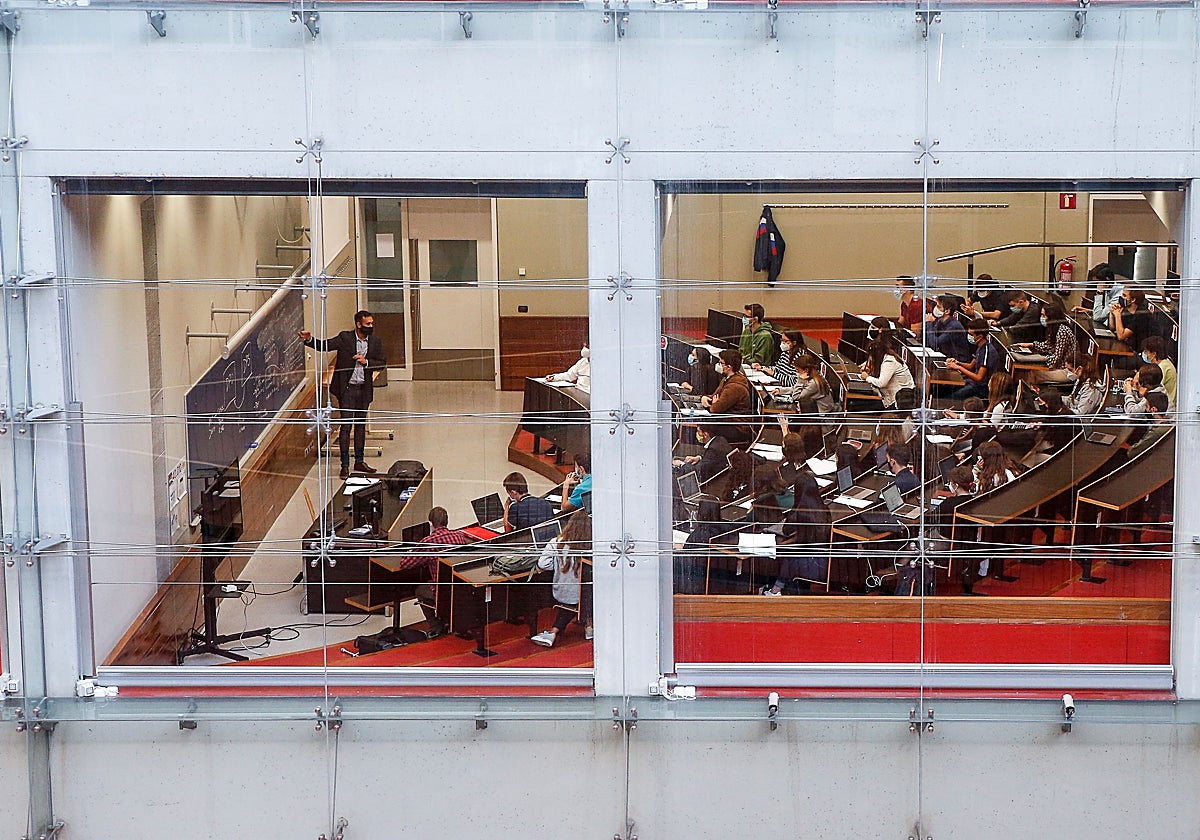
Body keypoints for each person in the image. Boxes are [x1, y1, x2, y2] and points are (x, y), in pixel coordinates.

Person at [298, 309, 387, 480]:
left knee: (360, 426)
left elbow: (381, 363)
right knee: (346, 427)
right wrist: (309, 339)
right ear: (358, 324)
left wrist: (366, 362)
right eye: (368, 324)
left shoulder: (375, 342)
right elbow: (326, 345)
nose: (371, 326)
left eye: (372, 324)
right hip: (347, 390)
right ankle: (345, 465)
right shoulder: (345, 338)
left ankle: (359, 461)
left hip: (364, 389)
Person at [398, 506, 476, 637]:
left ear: (431, 524)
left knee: (420, 590)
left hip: (440, 591)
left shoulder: (428, 542)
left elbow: (405, 563)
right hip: (459, 589)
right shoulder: (459, 536)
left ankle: (436, 626)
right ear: (447, 521)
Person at [760, 474, 831, 595]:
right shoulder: (824, 508)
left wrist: (794, 510)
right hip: (824, 562)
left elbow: (787, 530)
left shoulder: (801, 512)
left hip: (812, 566)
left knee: (787, 556)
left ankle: (775, 590)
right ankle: (776, 588)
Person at [530, 510, 591, 647]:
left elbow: (542, 564)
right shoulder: (590, 546)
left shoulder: (556, 542)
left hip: (561, 593)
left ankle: (553, 632)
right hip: (584, 597)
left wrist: (558, 566)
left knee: (573, 600)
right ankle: (589, 626)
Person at [1013, 297, 1077, 385]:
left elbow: (1056, 359)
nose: (1041, 318)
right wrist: (1032, 345)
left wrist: (1037, 361)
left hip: (1066, 370)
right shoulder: (1053, 329)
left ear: (1051, 317)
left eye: (1044, 315)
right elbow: (1048, 345)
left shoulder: (1063, 331)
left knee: (1032, 373)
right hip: (1058, 366)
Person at [701, 349, 754, 446]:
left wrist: (713, 403)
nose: (718, 365)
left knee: (703, 426)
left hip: (737, 428)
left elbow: (715, 409)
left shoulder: (734, 387)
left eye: (721, 363)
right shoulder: (727, 379)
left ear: (729, 367)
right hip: (727, 420)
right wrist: (705, 398)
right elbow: (714, 396)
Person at [946, 319, 1005, 401]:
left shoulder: (987, 351)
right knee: (945, 389)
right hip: (973, 383)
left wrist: (958, 368)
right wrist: (957, 363)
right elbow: (971, 366)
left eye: (971, 334)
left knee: (951, 398)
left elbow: (979, 377)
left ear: (979, 336)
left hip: (982, 388)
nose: (969, 336)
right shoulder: (980, 347)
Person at [677, 497, 725, 594]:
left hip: (699, 582)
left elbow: (687, 560)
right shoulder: (723, 529)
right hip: (717, 580)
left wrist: (680, 549)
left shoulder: (699, 535)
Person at [862, 337, 916, 410]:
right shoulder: (886, 358)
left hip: (898, 401)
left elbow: (881, 383)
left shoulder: (890, 361)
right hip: (889, 397)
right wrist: (870, 372)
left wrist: (867, 377)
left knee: (862, 406)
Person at [1110, 288, 1153, 365]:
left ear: (1133, 300)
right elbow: (1112, 328)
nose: (1121, 298)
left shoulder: (1141, 314)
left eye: (1124, 295)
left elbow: (1121, 336)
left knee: (1115, 360)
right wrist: (1112, 312)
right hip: (1128, 347)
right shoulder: (1126, 309)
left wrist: (1117, 315)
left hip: (1142, 355)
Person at [925, 294, 973, 362]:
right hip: (947, 358)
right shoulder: (940, 321)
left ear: (947, 311)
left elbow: (935, 344)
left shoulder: (954, 326)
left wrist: (929, 323)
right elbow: (930, 340)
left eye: (939, 307)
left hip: (959, 361)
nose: (935, 309)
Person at [1126, 391, 1171, 459]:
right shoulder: (1168, 425)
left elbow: (1132, 453)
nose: (1145, 409)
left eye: (1147, 406)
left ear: (1153, 409)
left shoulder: (1155, 432)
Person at [1140, 336, 1177, 405]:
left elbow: (1152, 389)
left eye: (1146, 351)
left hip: (1166, 407)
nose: (1144, 354)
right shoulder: (1165, 363)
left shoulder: (1163, 367)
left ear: (1154, 354)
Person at [738, 303, 775, 367]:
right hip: (744, 364)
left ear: (755, 319)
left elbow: (759, 360)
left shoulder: (765, 336)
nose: (744, 318)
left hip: (758, 368)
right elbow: (741, 350)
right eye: (744, 315)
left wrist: (744, 361)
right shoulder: (747, 330)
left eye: (747, 317)